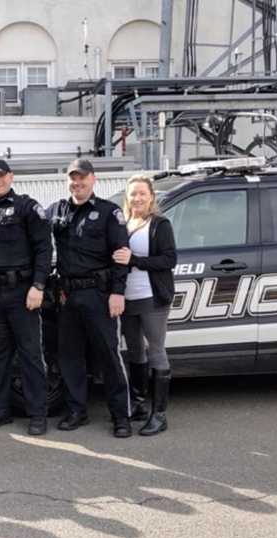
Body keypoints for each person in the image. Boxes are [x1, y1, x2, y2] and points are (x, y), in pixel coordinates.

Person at [47, 158, 132, 438]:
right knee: (70, 356)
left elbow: (121, 256)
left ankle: (121, 416)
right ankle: (76, 411)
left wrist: (118, 292)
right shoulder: (57, 210)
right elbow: (32, 230)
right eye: (73, 178)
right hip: (67, 295)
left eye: (82, 177)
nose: (77, 182)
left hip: (99, 294)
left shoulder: (109, 213)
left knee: (108, 355)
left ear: (93, 179)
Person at [0, 159, 51, 436]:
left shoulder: (27, 207)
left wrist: (38, 285)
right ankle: (0, 410)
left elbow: (43, 249)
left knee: (30, 354)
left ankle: (38, 414)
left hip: (22, 292)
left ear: (10, 177)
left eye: (1, 176)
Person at [112, 175, 176, 436]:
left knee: (156, 351)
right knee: (135, 351)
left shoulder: (160, 224)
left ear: (151, 196)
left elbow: (169, 259)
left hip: (152, 298)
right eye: (132, 194)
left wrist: (135, 260)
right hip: (127, 299)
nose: (137, 198)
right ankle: (139, 404)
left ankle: (159, 415)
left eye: (141, 193)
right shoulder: (124, 223)